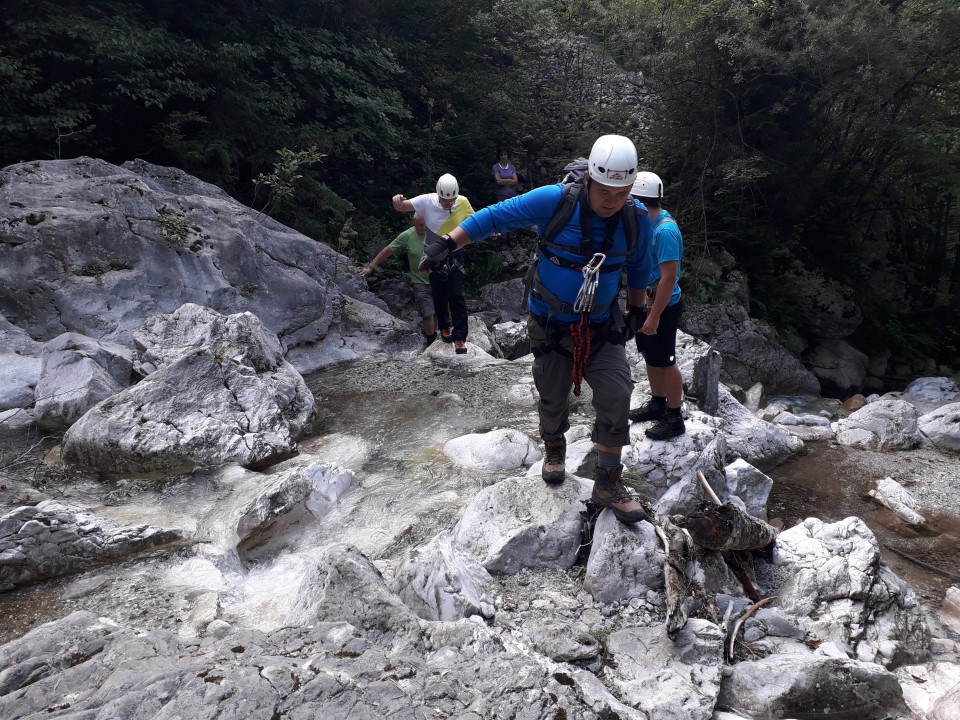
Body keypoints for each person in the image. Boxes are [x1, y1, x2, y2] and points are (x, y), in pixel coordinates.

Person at [419, 135, 654, 524]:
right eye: (605, 190)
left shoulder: (635, 218)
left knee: (617, 393)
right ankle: (555, 448)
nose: (612, 200)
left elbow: (641, 268)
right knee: (552, 394)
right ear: (589, 180)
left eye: (621, 191)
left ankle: (608, 481)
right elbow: (495, 216)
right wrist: (447, 243)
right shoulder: (555, 200)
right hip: (550, 322)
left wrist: (636, 312)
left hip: (601, 324)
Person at [627, 172, 686, 440]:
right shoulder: (648, 224)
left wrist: (654, 317)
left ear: (638, 201)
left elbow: (668, 277)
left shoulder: (664, 231)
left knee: (665, 359)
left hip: (664, 305)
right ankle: (657, 403)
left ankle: (674, 416)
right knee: (651, 355)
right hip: (650, 302)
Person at [392, 174, 475, 354]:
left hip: (455, 253)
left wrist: (490, 231)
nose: (448, 203)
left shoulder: (463, 202)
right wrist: (397, 201)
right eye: (444, 200)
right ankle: (444, 327)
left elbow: (476, 222)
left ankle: (460, 337)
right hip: (434, 255)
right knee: (438, 294)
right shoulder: (426, 201)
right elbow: (402, 207)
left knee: (456, 294)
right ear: (438, 194)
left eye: (451, 200)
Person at [361, 213, 438, 348]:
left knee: (438, 312)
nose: (423, 227)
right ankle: (431, 340)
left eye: (426, 224)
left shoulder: (437, 232)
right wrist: (371, 267)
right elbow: (387, 251)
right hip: (420, 282)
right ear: (413, 222)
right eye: (420, 225)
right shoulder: (407, 236)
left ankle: (437, 337)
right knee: (427, 313)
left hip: (439, 280)